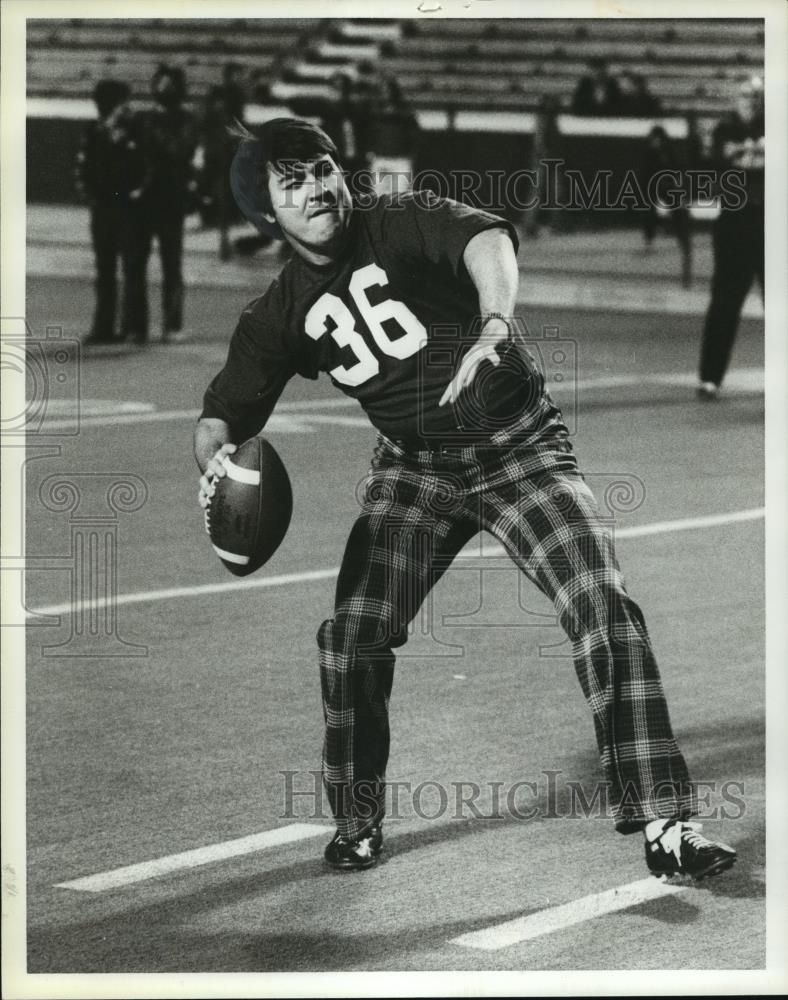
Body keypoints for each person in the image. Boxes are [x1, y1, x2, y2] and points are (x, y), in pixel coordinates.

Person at [194, 118, 738, 878]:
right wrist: (214, 467)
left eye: (323, 168)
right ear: (265, 215)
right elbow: (220, 416)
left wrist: (493, 324)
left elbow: (489, 242)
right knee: (351, 637)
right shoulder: (278, 312)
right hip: (413, 471)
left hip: (517, 446)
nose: (320, 186)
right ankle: (356, 822)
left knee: (602, 606)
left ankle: (666, 823)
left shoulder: (396, 216)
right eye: (295, 182)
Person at [697, 75, 764, 400]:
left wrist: (746, 154)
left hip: (771, 222)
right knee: (724, 300)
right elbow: (721, 162)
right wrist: (755, 152)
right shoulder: (724, 129)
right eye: (744, 95)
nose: (750, 100)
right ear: (734, 98)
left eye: (755, 95)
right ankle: (710, 376)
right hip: (735, 223)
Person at [74, 79, 149, 345]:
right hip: (105, 205)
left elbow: (145, 165)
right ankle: (105, 327)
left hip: (128, 206)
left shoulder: (135, 128)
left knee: (131, 267)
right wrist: (89, 192)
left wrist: (138, 191)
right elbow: (85, 165)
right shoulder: (94, 130)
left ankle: (135, 327)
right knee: (105, 268)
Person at [134, 65, 199, 344]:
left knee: (171, 265)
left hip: (171, 199)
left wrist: (152, 135)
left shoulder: (186, 120)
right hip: (146, 200)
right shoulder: (144, 118)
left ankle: (172, 324)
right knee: (136, 264)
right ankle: (138, 326)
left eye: (169, 85)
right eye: (160, 85)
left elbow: (179, 150)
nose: (163, 90)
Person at [640, 125, 693, 287]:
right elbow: (646, 173)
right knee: (648, 209)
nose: (655, 142)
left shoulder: (669, 150)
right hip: (657, 185)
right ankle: (651, 240)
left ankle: (680, 240)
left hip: (669, 185)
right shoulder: (651, 152)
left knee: (676, 213)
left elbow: (678, 169)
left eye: (657, 139)